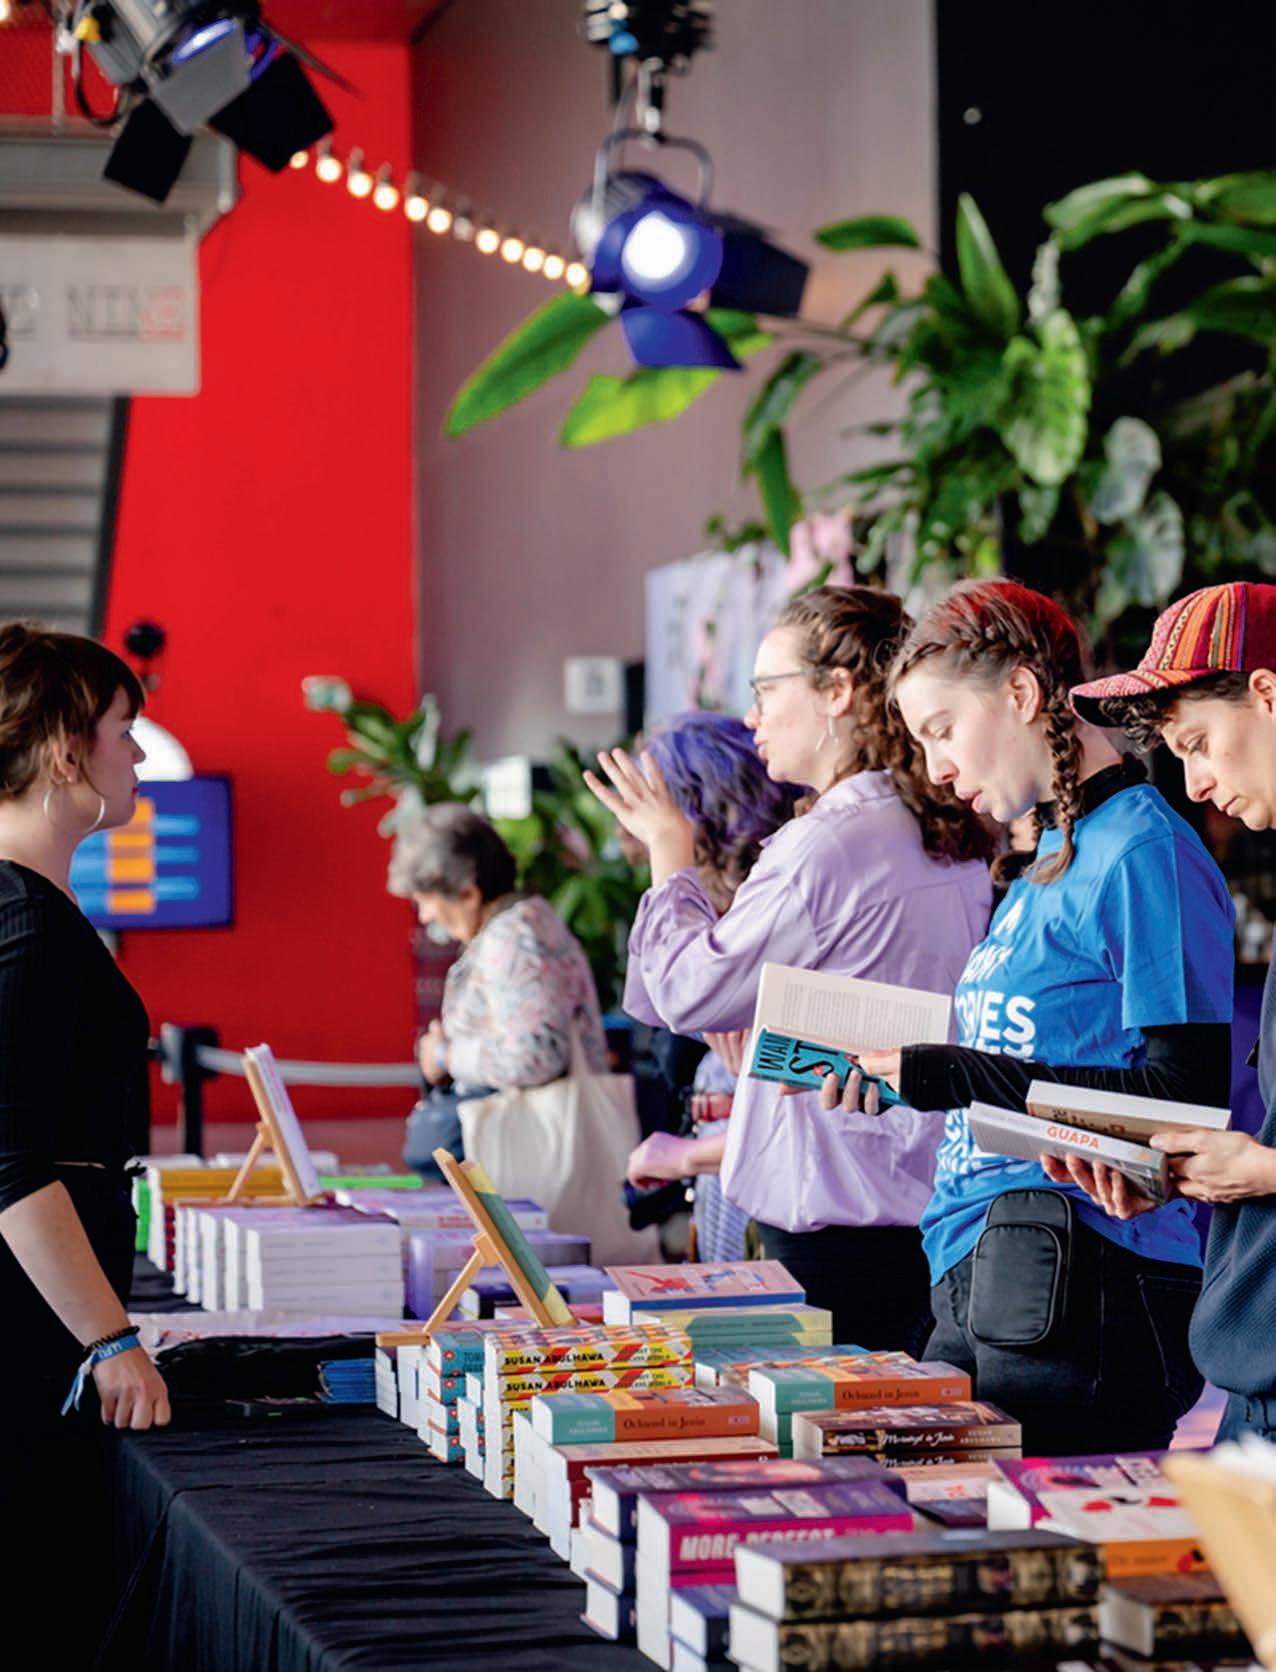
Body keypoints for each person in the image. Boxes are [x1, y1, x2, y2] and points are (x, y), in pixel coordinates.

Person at [834, 578, 1235, 1454]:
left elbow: (1186, 1096)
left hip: (1083, 1276)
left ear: (1020, 692)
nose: (937, 768)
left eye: (942, 730)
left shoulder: (1143, 851)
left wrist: (963, 1076)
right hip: (983, 1265)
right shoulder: (1052, 854)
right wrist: (912, 1076)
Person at [586, 586, 993, 1353]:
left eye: (767, 690)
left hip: (837, 1217)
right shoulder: (933, 824)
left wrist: (669, 848)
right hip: (923, 1204)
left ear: (837, 692)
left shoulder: (830, 841)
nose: (752, 718)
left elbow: (687, 991)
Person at [1061, 581, 1276, 1443]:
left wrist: (1263, 1171)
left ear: (1267, 694)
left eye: (1200, 744)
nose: (1196, 782)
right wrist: (1193, 1177)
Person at [0, 622, 171, 1656]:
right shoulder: (25, 918)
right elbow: (7, 1164)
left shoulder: (33, 903)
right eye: (123, 727)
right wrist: (109, 1341)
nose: (138, 751)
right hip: (28, 1333)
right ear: (67, 750)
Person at [621, 712, 802, 1260]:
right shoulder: (700, 913)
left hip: (768, 1202)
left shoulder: (768, 916)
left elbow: (798, 1108)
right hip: (725, 1191)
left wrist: (687, 1157)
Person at [389, 803, 609, 1176]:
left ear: (468, 893)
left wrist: (445, 1055)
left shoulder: (511, 938)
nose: (425, 916)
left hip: (530, 1158)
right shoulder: (528, 920)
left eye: (426, 899)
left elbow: (536, 1055)